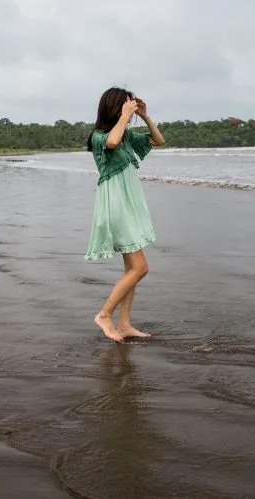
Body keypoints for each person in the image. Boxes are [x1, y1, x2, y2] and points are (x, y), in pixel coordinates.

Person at [85, 87, 165, 342]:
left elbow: (158, 140)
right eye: (127, 105)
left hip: (130, 205)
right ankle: (104, 314)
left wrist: (145, 116)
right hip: (117, 207)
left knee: (131, 268)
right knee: (140, 268)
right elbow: (111, 142)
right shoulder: (99, 136)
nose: (130, 109)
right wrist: (124, 117)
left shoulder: (127, 135)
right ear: (116, 106)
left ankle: (125, 324)